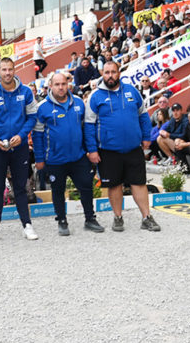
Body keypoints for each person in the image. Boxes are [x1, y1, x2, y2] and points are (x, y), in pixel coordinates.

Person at [84, 60, 161, 232]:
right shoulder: (95, 96)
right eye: (106, 72)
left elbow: (143, 116)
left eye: (113, 72)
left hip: (133, 148)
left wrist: (146, 136)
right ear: (102, 74)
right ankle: (118, 217)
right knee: (114, 185)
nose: (110, 76)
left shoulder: (132, 91)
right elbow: (89, 125)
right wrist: (92, 150)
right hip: (109, 151)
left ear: (119, 73)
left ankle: (146, 217)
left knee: (139, 183)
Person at [33, 72, 106, 236]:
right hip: (55, 160)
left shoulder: (79, 103)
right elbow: (37, 135)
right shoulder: (42, 107)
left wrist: (90, 150)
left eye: (63, 84)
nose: (61, 87)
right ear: (50, 86)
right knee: (58, 191)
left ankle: (90, 219)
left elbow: (87, 128)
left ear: (68, 85)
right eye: (57, 84)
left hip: (78, 158)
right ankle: (62, 221)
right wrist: (39, 159)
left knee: (86, 187)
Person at [0, 57, 38, 242]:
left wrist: (21, 136)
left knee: (21, 188)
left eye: (10, 69)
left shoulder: (26, 92)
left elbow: (32, 118)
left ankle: (27, 225)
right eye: (4, 69)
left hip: (19, 147)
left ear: (14, 70)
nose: (7, 73)